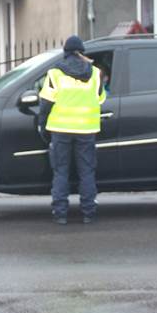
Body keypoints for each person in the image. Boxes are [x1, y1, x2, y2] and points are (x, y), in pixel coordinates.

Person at [38, 35, 106, 225]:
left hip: (60, 129)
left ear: (65, 52)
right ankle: (88, 213)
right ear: (82, 51)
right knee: (87, 172)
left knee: (61, 172)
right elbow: (100, 100)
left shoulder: (55, 73)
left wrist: (43, 127)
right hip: (87, 129)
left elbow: (46, 104)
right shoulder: (95, 74)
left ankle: (60, 213)